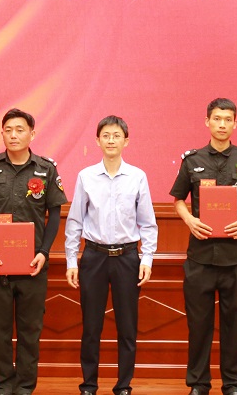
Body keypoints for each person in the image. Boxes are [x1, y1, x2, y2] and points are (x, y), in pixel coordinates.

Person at [169, 98, 237, 395]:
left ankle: (233, 384)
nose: (222, 124)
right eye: (217, 119)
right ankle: (198, 383)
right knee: (198, 325)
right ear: (207, 122)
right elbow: (178, 200)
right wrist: (190, 220)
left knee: (235, 325)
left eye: (227, 119)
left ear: (235, 123)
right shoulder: (192, 160)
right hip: (200, 257)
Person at [0, 108, 68, 395]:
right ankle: (3, 385)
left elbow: (54, 214)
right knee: (0, 330)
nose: (14, 135)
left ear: (32, 134)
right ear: (2, 133)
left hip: (33, 264)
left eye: (20, 130)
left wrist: (44, 252)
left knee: (30, 330)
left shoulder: (46, 169)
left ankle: (25, 386)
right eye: (8, 130)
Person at [64, 115, 159, 395]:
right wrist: (71, 260)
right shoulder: (86, 176)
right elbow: (75, 221)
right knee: (91, 327)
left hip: (128, 257)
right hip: (94, 257)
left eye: (117, 135)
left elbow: (148, 223)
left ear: (126, 141)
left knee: (127, 327)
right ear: (97, 140)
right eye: (105, 135)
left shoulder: (137, 176)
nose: (111, 140)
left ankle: (123, 386)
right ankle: (88, 385)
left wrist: (147, 258)